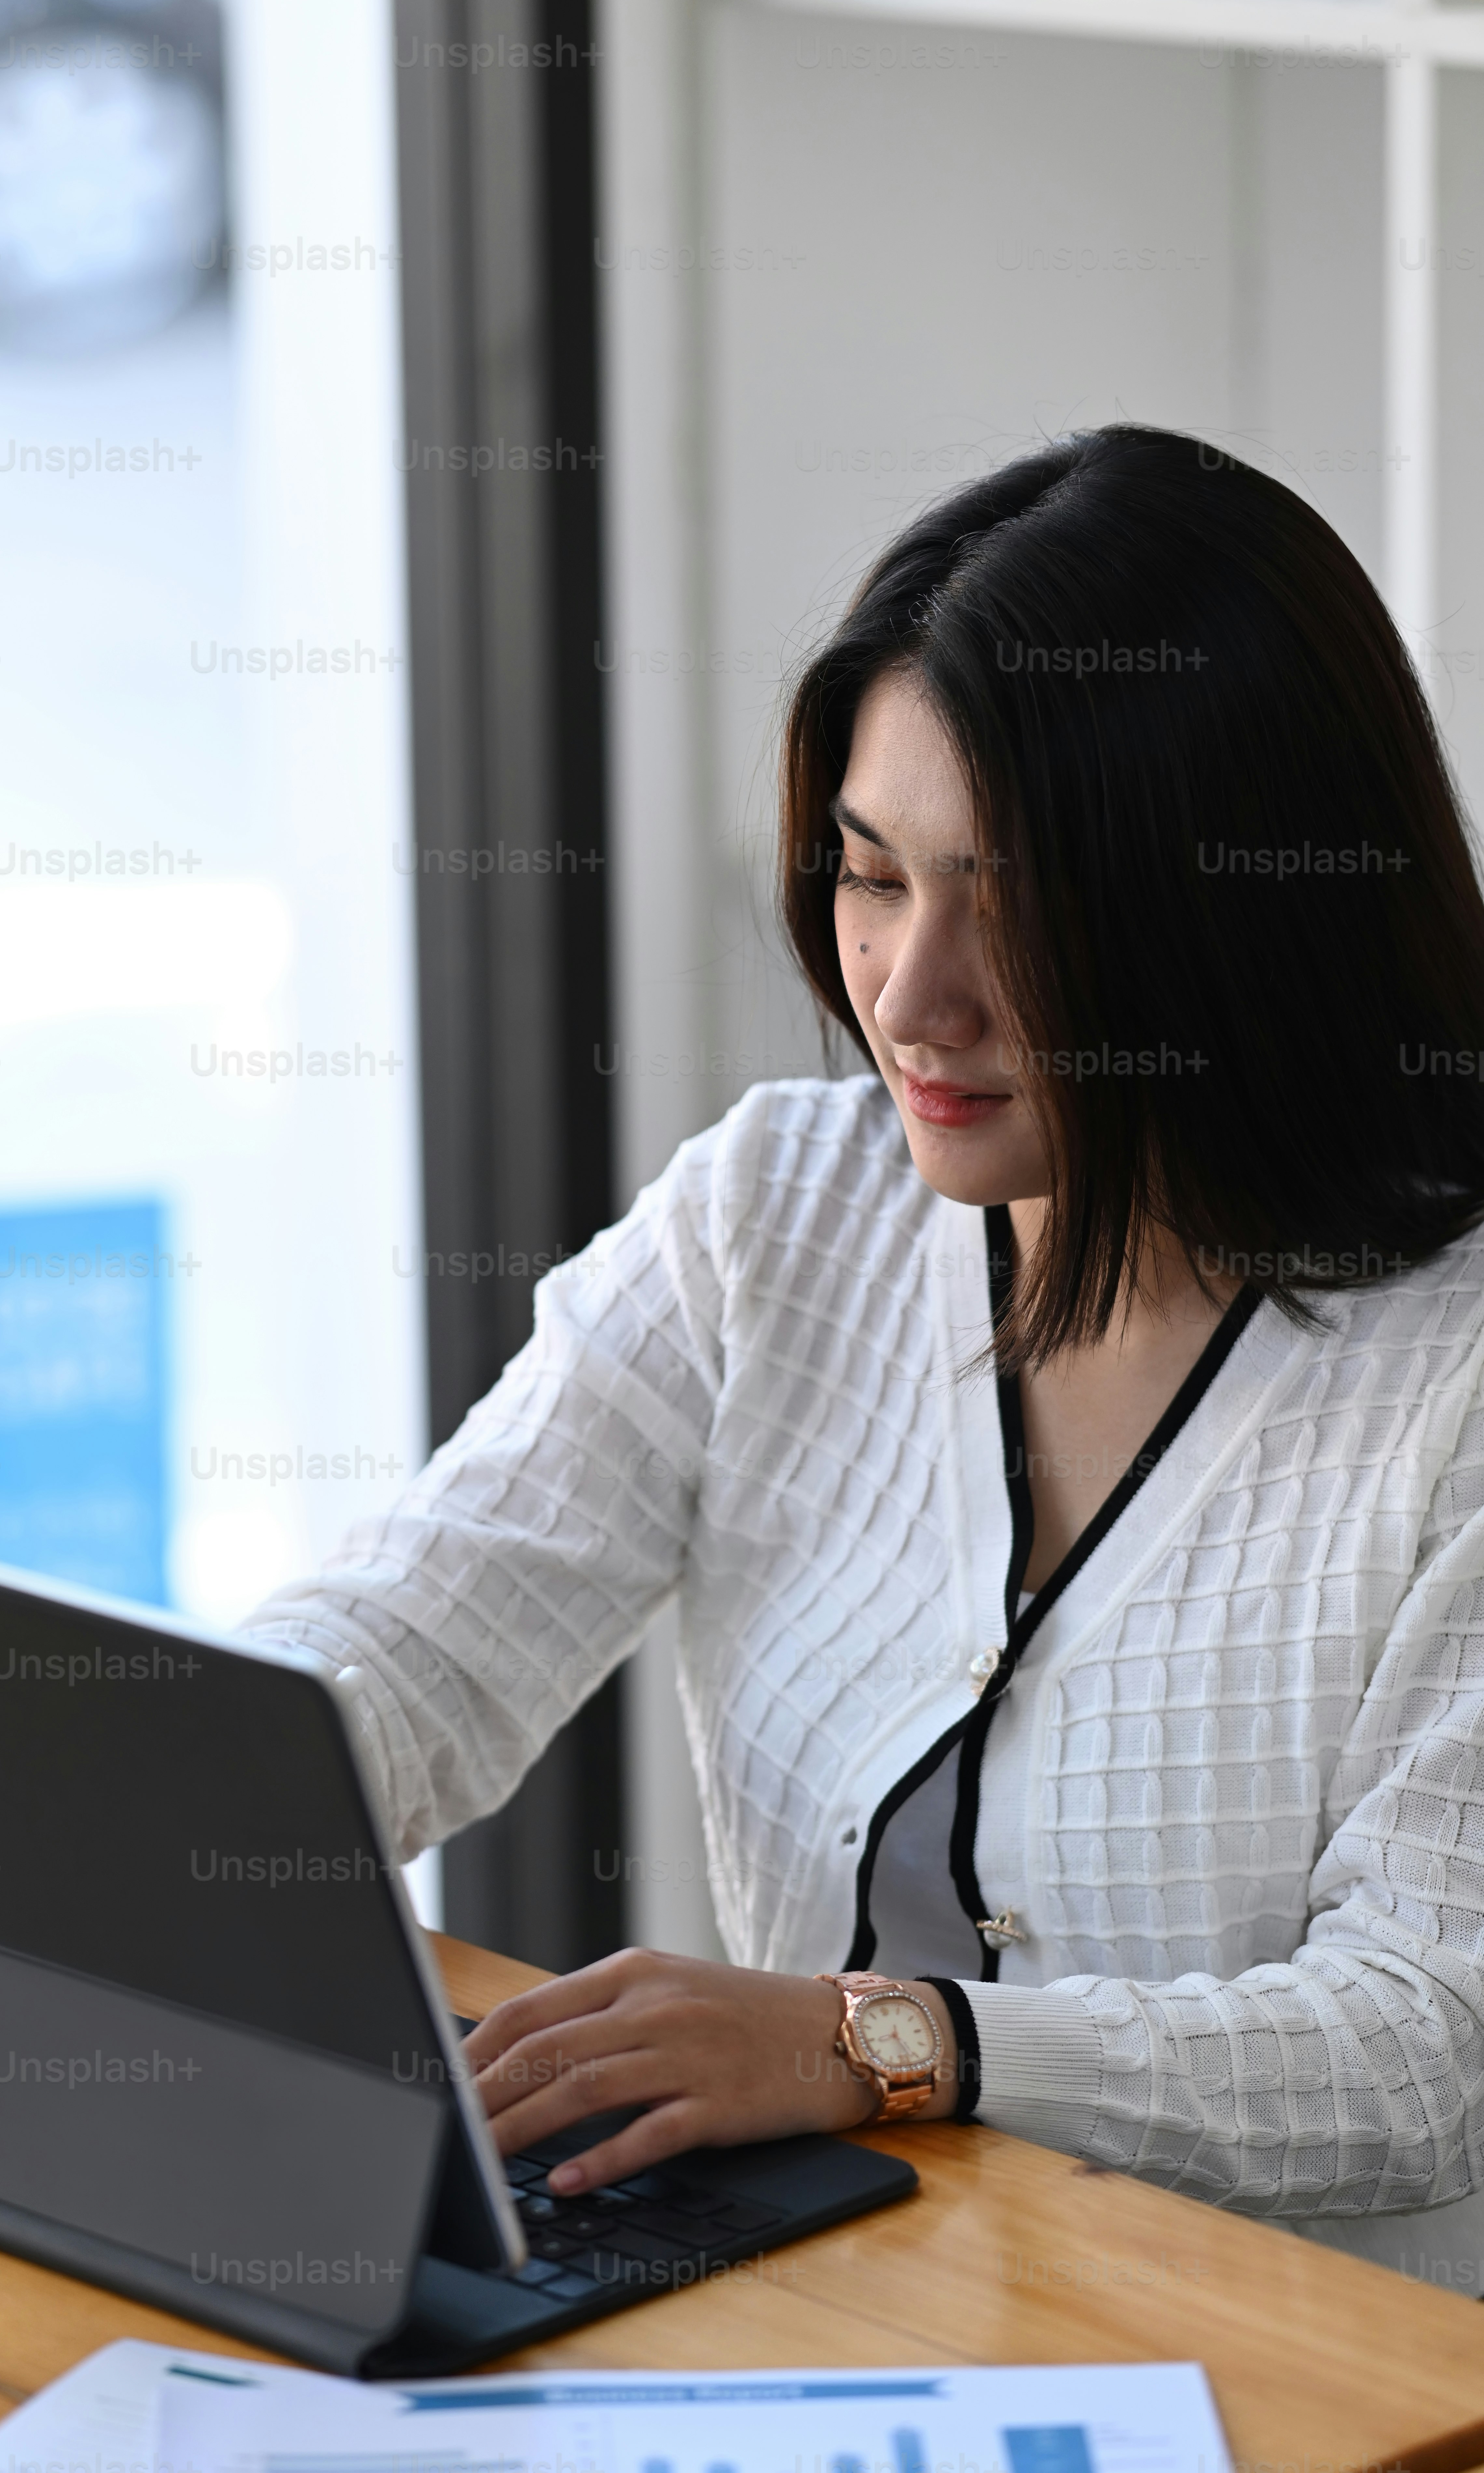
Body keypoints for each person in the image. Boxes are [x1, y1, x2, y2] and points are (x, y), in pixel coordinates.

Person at [246, 424, 1484, 2278]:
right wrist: (148, 1790)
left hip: (1310, 2398)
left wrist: (877, 2047)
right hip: (832, 2324)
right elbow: (424, 1641)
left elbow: (1426, 2044)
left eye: (1020, 900)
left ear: (1247, 918)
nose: (911, 994)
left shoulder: (1448, 1368)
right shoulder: (776, 1211)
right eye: (872, 874)